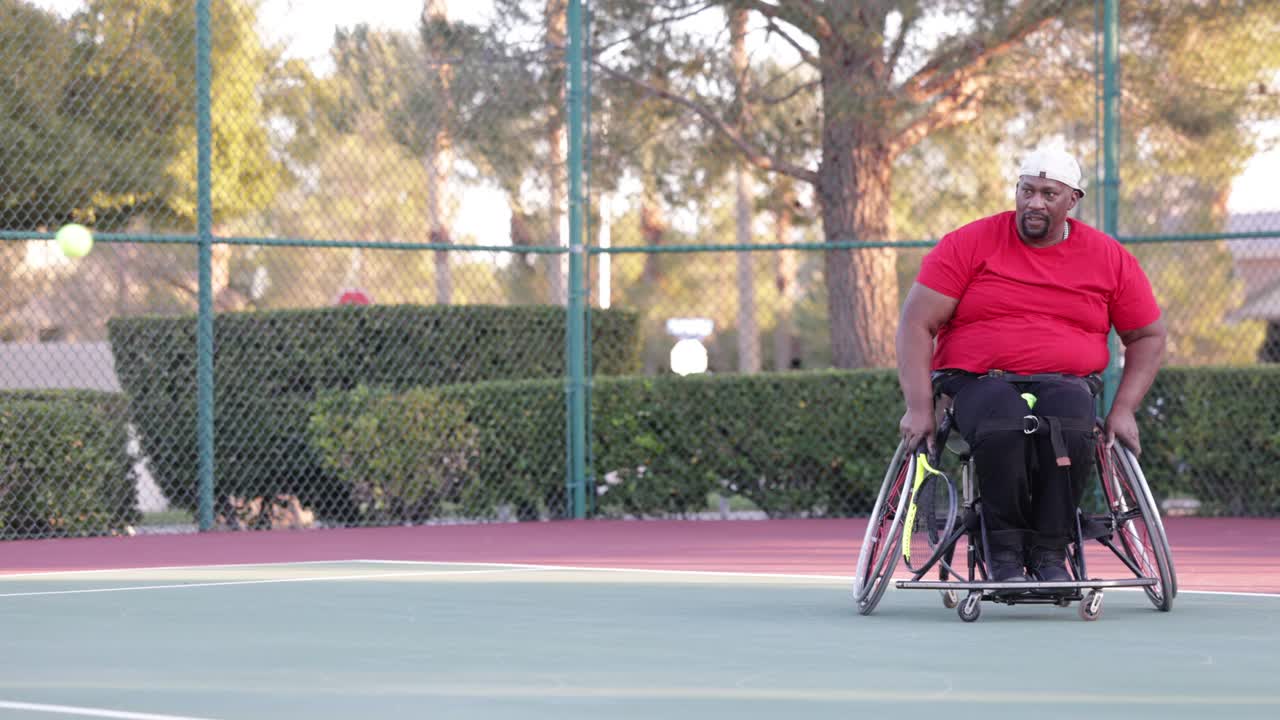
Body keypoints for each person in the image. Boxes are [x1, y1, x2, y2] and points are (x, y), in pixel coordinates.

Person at [895, 146, 1167, 584]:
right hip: (978, 381)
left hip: (1066, 382)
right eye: (1027, 191)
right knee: (1005, 422)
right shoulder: (968, 243)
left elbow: (1148, 335)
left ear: (1072, 200)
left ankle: (1049, 553)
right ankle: (1002, 554)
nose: (1035, 203)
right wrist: (919, 406)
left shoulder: (1108, 257)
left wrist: (1124, 408)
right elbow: (916, 322)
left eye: (1048, 194)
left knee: (1072, 424)